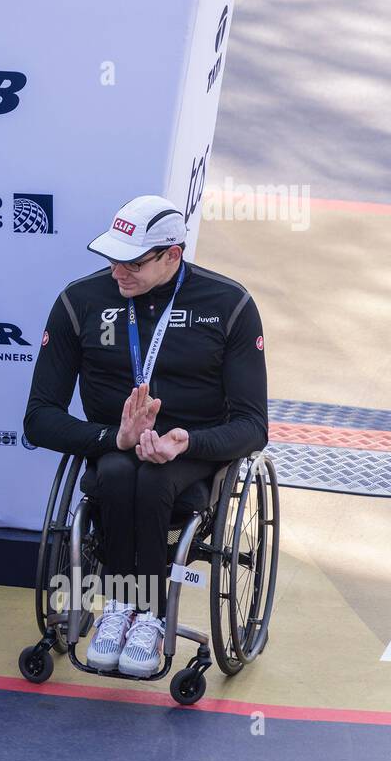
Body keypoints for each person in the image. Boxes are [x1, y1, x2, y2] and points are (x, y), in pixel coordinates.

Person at [24, 194, 267, 677]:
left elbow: (253, 425)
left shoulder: (229, 304)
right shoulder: (80, 301)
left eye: (133, 262)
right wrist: (112, 437)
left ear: (172, 255)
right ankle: (119, 608)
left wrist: (186, 442)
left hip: (192, 449)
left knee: (155, 480)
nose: (118, 271)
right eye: (112, 258)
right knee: (116, 472)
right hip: (112, 445)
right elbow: (39, 417)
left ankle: (149, 615)